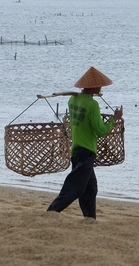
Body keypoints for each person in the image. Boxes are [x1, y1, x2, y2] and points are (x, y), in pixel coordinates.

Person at [47, 66, 123, 219]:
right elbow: (101, 130)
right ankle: (52, 212)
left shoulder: (72, 99)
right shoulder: (92, 105)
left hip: (76, 150)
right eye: (99, 85)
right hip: (86, 151)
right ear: (93, 87)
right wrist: (115, 118)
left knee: (91, 188)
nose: (101, 87)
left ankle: (90, 218)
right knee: (74, 188)